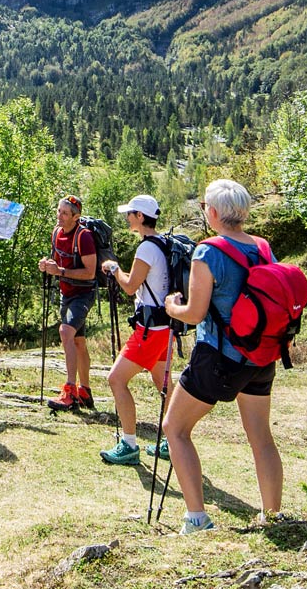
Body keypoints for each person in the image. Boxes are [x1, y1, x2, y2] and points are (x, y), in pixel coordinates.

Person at [162, 179, 282, 534]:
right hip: (260, 355)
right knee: (260, 435)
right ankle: (272, 516)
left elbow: (196, 314)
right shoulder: (262, 247)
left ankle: (197, 518)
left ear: (212, 212)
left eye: (204, 207)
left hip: (218, 356)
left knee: (175, 428)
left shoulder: (207, 251)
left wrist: (173, 307)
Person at [95, 194, 171, 466]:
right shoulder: (163, 243)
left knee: (116, 379)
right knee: (163, 382)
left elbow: (129, 286)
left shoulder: (147, 248)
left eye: (130, 213)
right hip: (165, 327)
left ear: (141, 217)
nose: (127, 217)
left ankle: (129, 444)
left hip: (150, 330)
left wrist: (114, 268)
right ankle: (172, 440)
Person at [37, 195, 97, 410]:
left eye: (64, 213)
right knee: (78, 342)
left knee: (65, 332)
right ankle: (85, 392)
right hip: (66, 293)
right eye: (58, 211)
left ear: (76, 217)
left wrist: (60, 271)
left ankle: (70, 390)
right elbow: (57, 260)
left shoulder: (85, 237)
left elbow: (90, 273)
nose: (59, 216)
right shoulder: (56, 233)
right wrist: (47, 265)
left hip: (83, 294)